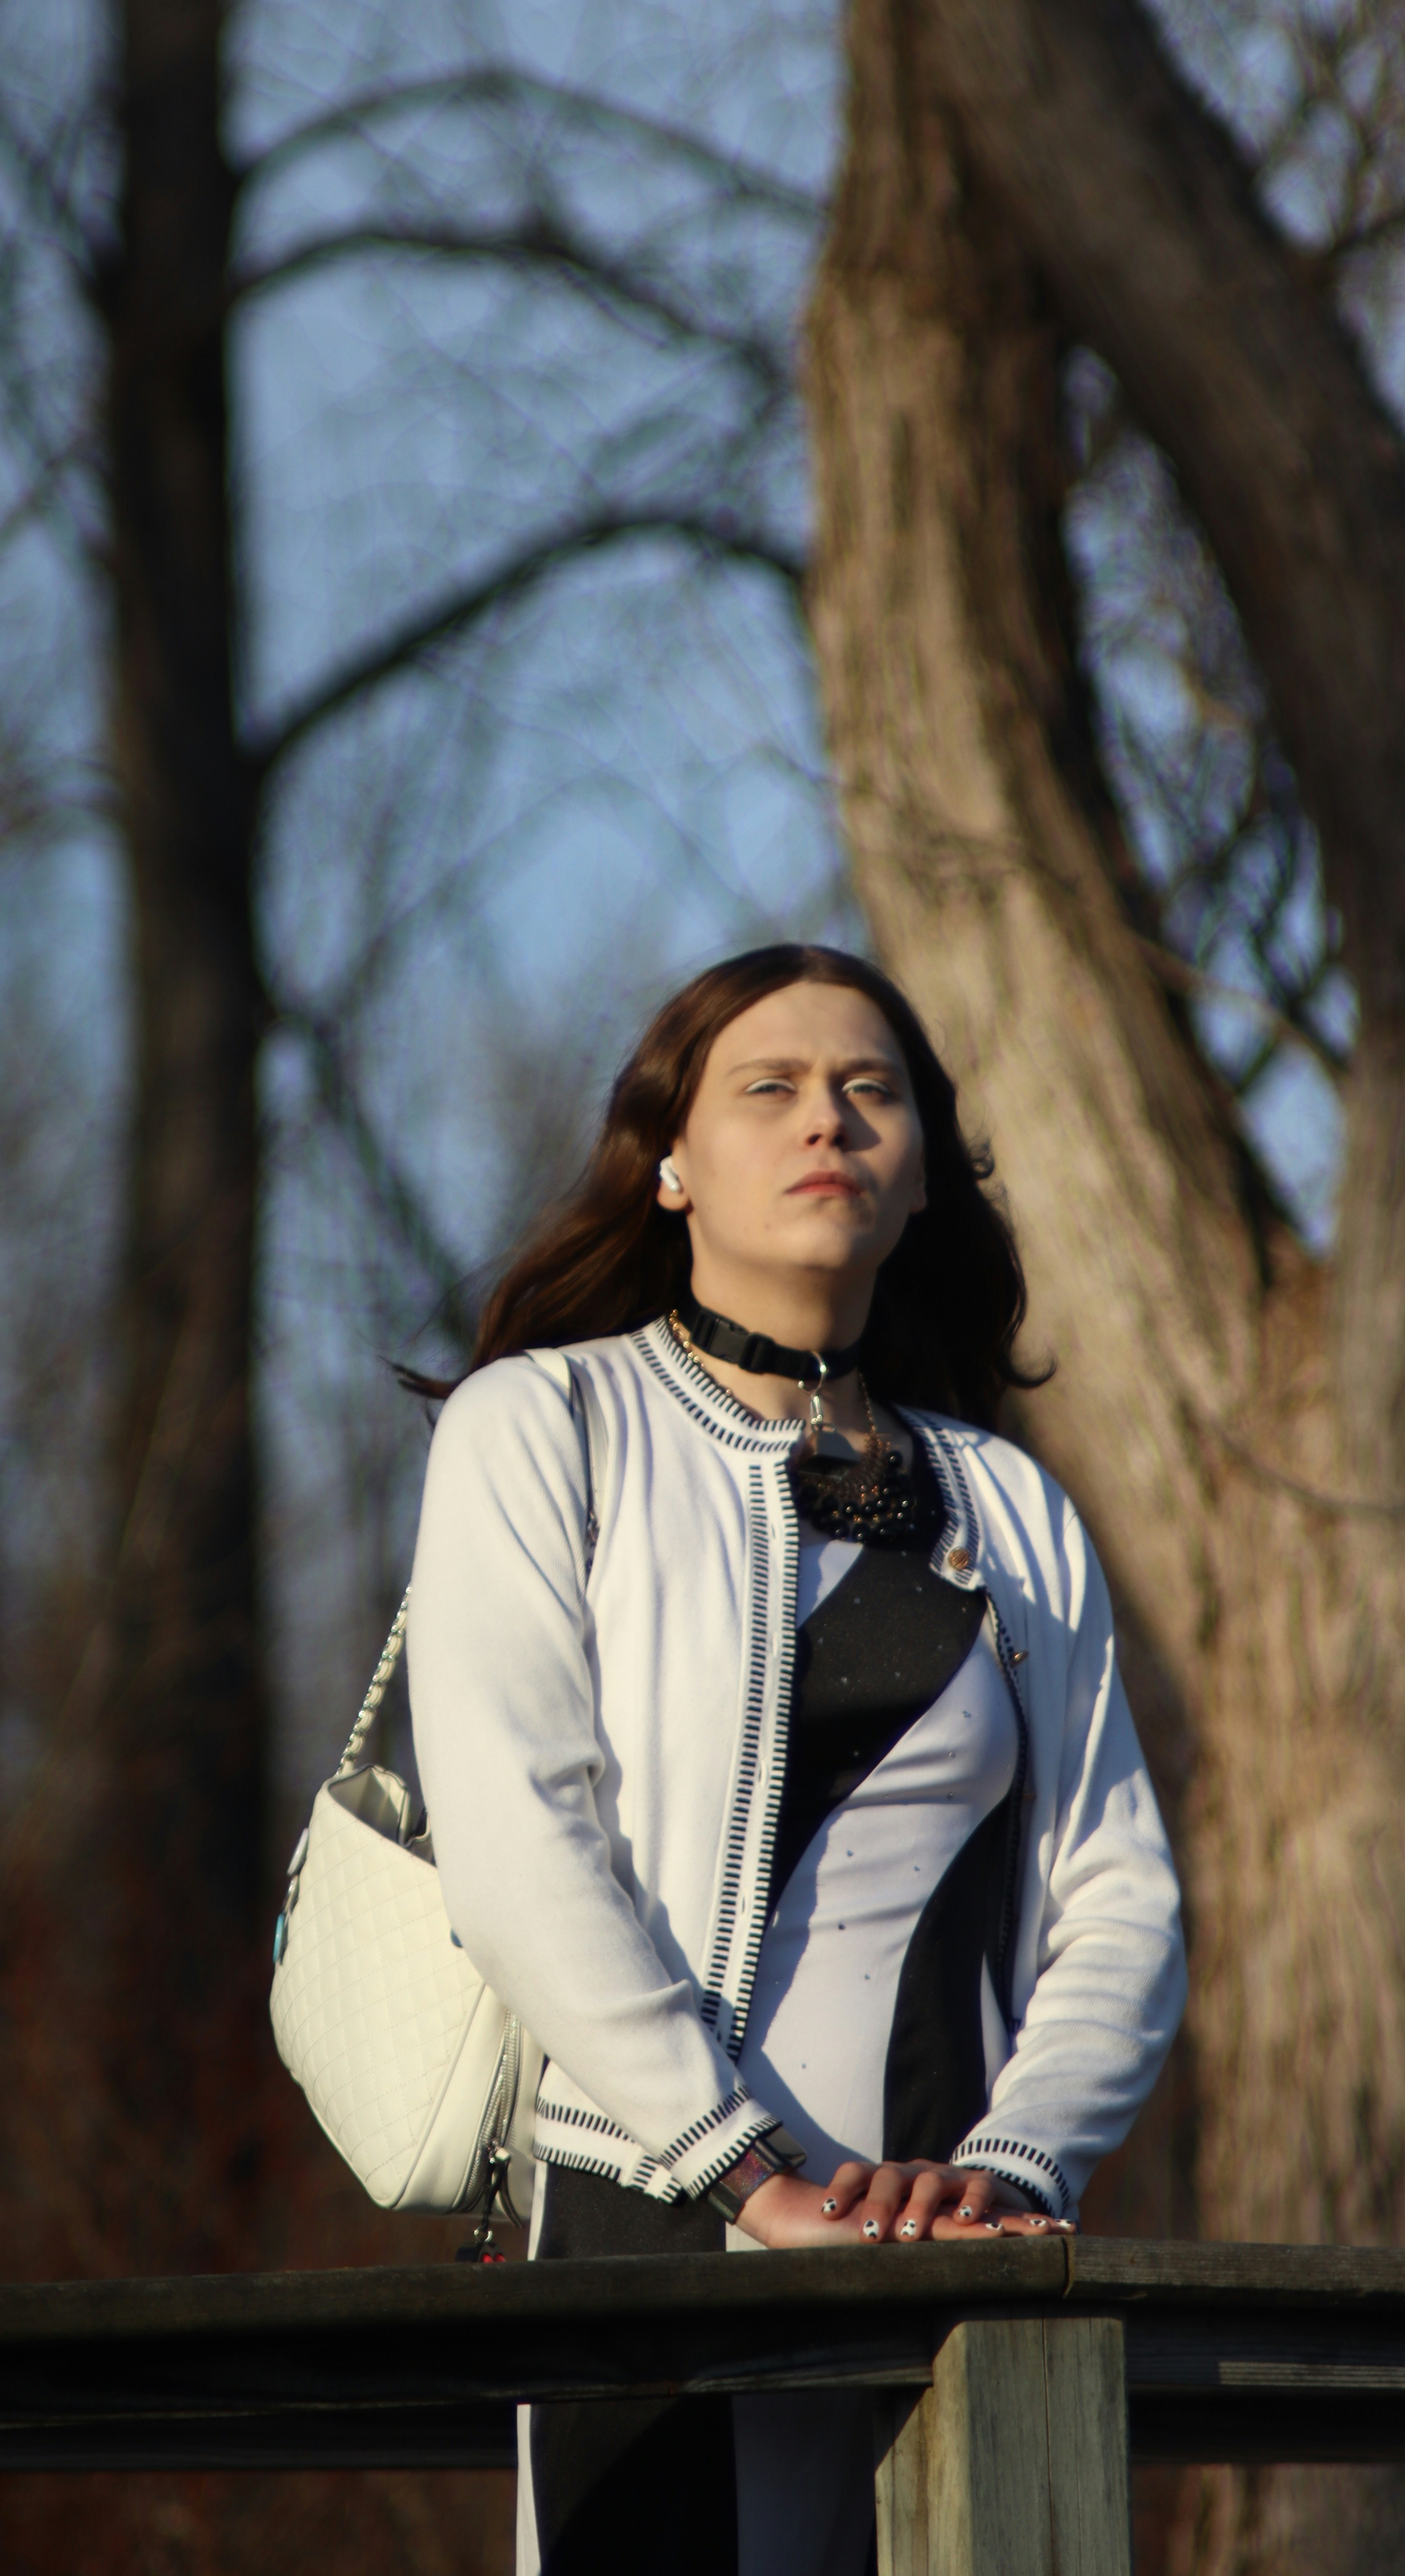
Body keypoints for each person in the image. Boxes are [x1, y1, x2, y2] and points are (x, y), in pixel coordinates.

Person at [405, 943, 1185, 2576]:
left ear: (919, 1185)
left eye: (872, 1091)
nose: (826, 1118)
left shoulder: (1013, 1503)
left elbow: (1120, 1897)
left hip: (972, 2266)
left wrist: (1012, 2166)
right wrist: (746, 2175)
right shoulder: (546, 1428)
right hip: (658, 2220)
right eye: (769, 1088)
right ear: (671, 1162)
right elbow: (519, 1843)